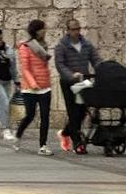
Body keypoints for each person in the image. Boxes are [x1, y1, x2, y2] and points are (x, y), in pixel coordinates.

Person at [55, 19, 101, 154]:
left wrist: (102, 70)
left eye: (78, 29)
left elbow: (96, 59)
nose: (76, 32)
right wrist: (71, 75)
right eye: (73, 29)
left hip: (83, 82)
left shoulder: (86, 45)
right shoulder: (61, 46)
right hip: (68, 83)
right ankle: (77, 142)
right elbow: (60, 64)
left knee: (82, 112)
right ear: (68, 30)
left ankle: (65, 132)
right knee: (73, 112)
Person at [15, 19, 54, 156]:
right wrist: (33, 84)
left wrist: (45, 82)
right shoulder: (25, 47)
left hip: (45, 87)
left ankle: (43, 145)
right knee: (30, 115)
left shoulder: (44, 46)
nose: (45, 31)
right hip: (30, 89)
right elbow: (25, 69)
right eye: (43, 28)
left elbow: (44, 66)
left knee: (45, 117)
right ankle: (18, 135)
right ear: (37, 31)